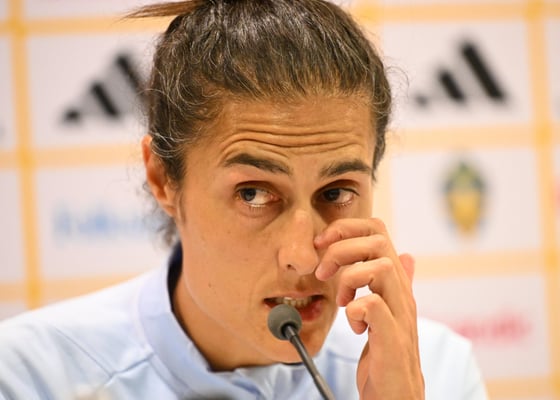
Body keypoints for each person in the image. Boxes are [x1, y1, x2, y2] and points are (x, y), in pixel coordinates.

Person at [0, 1, 488, 399]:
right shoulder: (32, 377)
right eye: (253, 193)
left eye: (336, 192)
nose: (304, 258)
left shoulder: (436, 371)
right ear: (163, 177)